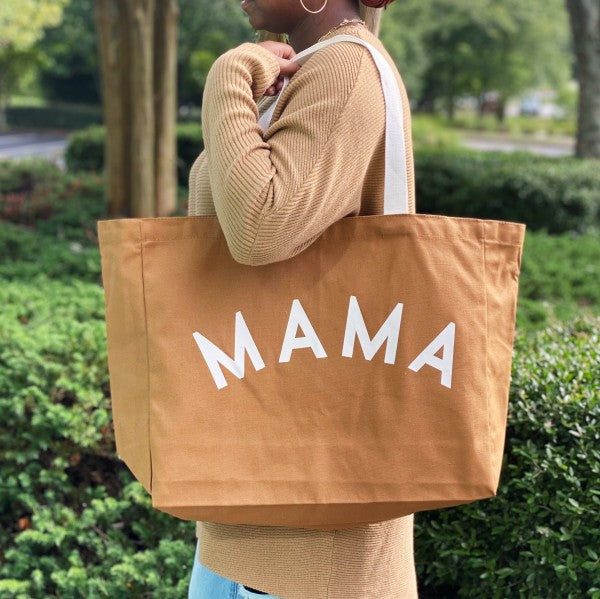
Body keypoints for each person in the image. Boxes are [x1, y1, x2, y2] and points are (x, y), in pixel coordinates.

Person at [186, 0, 418, 597]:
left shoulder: (346, 69)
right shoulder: (303, 70)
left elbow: (260, 225)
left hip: (313, 562)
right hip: (246, 536)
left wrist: (229, 74)